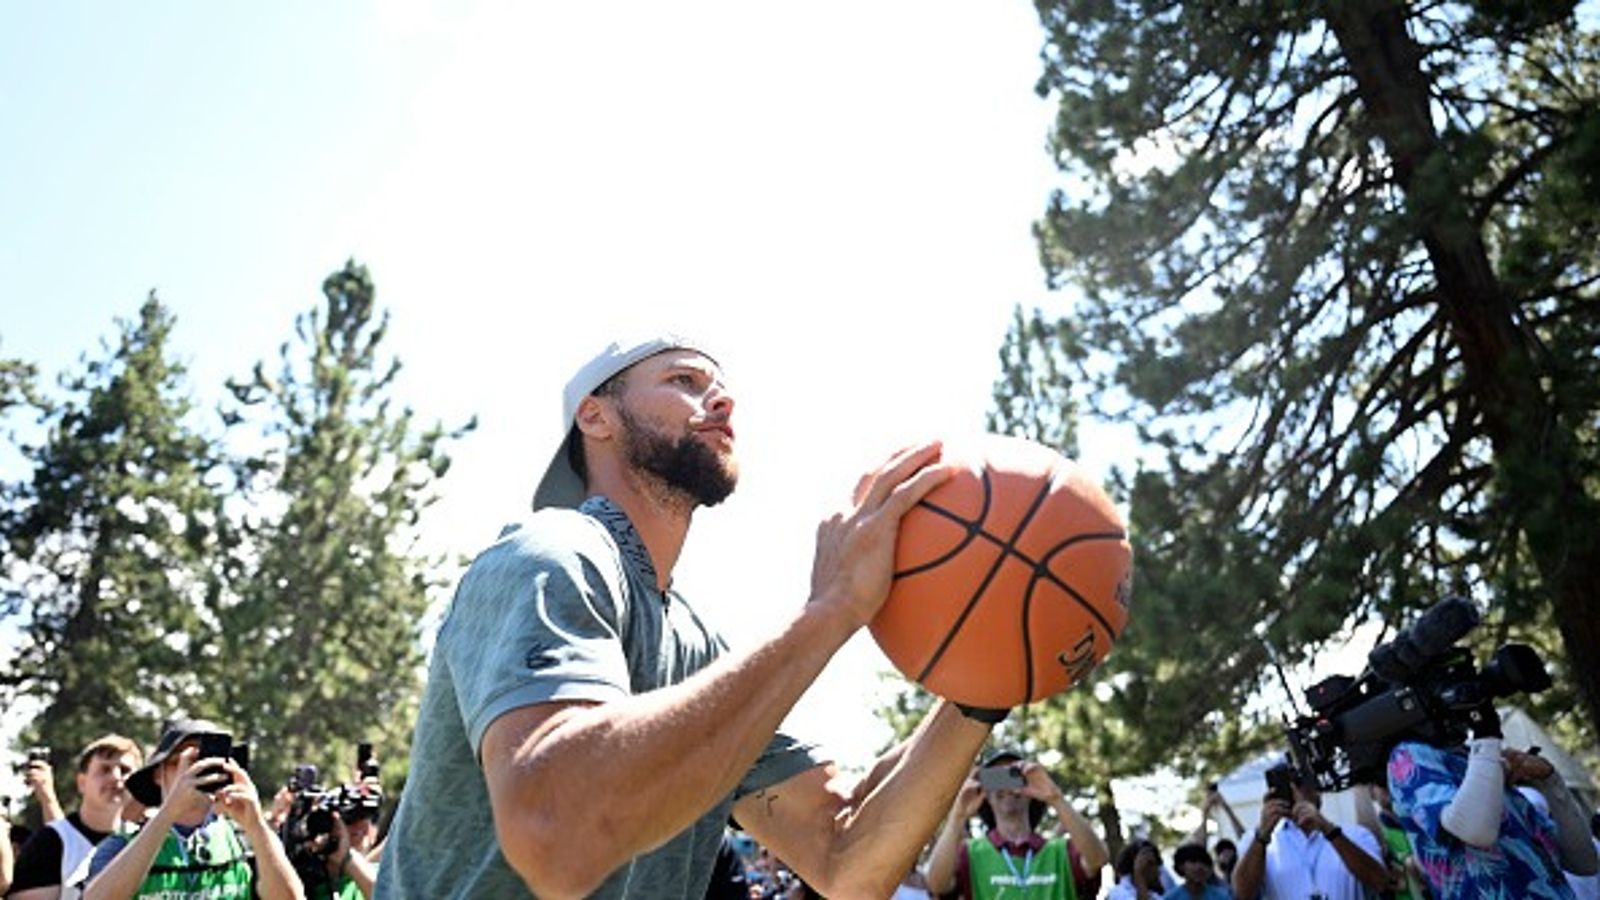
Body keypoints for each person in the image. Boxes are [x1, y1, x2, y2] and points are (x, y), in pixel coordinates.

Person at [374, 334, 998, 899]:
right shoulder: (551, 555)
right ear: (594, 415)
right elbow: (554, 834)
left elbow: (846, 858)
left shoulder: (698, 646)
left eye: (720, 388)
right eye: (684, 381)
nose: (721, 402)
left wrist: (986, 683)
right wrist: (831, 610)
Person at [1384, 708, 1599, 900]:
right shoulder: (1409, 754)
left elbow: (1584, 862)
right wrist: (1486, 733)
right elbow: (1475, 830)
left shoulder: (1477, 762)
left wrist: (1550, 780)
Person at [81, 719, 302, 900]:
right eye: (187, 760)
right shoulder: (122, 844)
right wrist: (168, 813)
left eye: (208, 761)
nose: (199, 770)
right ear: (159, 774)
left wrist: (256, 826)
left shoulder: (246, 841)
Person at [924, 749, 1109, 899]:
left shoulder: (1061, 852)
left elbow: (1098, 859)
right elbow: (936, 884)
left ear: (1030, 791)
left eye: (1013, 776)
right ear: (985, 793)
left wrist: (1055, 798)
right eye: (996, 778)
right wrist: (957, 817)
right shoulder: (971, 853)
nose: (1007, 787)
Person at [7, 735, 142, 900]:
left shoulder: (144, 840)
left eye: (125, 770)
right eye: (104, 769)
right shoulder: (50, 841)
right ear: (82, 783)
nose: (116, 777)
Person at [1231, 762, 1389, 900]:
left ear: (1318, 790)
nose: (1296, 793)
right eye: (1288, 786)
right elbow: (1242, 894)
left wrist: (1329, 830)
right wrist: (1262, 836)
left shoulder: (1355, 835)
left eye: (1300, 783)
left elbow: (1380, 882)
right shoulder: (1257, 842)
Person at [1161, 844, 1231, 900]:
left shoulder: (1222, 896)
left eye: (1204, 863)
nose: (1200, 867)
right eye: (1193, 862)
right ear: (1181, 866)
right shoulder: (1171, 897)